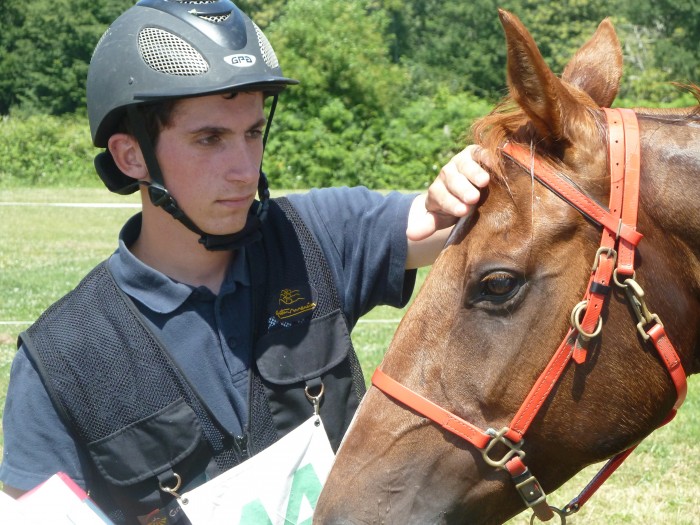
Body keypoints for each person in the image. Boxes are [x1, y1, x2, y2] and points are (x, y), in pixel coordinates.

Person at [0, 1, 490, 523]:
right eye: (209, 139)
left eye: (252, 133)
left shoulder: (317, 236)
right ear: (132, 157)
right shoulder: (61, 361)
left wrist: (471, 182)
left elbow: (437, 223)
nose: (243, 168)